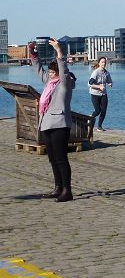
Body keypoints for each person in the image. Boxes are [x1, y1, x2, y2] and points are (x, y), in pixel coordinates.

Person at [29, 38, 75, 202]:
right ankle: (58, 187)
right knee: (52, 158)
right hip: (46, 123)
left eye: (52, 73)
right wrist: (33, 54)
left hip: (60, 124)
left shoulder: (65, 84)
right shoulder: (49, 84)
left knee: (61, 158)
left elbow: (62, 68)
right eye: (49, 73)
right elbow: (38, 70)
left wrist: (59, 51)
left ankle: (67, 191)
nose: (49, 75)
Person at [88, 56, 113, 132]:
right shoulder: (96, 72)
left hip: (103, 94)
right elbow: (89, 83)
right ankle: (90, 117)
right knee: (98, 110)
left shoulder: (107, 73)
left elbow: (109, 81)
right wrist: (98, 86)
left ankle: (99, 126)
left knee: (104, 110)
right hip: (94, 94)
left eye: (105, 62)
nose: (104, 63)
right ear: (99, 63)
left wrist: (110, 83)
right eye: (102, 62)